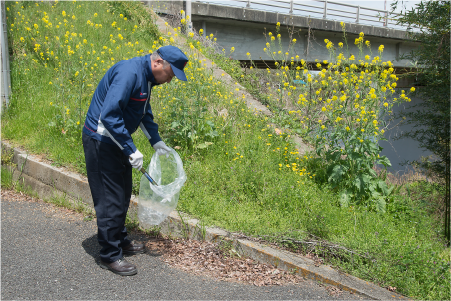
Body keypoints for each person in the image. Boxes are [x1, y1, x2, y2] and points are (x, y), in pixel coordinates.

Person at [82, 45, 188, 276]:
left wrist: (155, 141)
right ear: (158, 63)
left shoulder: (148, 78)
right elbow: (109, 115)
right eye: (170, 75)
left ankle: (119, 239)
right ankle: (110, 255)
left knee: (123, 192)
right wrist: (131, 149)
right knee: (110, 199)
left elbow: (142, 111)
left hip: (117, 139)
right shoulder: (129, 73)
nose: (169, 81)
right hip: (101, 140)